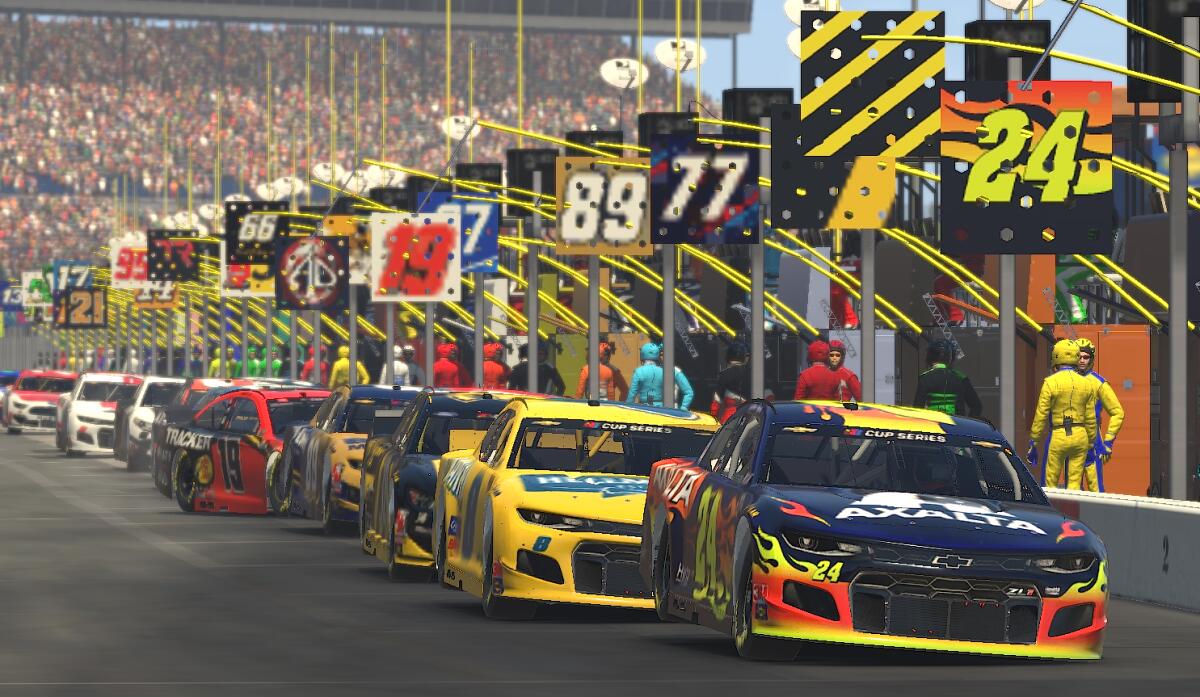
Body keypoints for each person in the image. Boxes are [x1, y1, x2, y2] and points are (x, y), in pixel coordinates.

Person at [1029, 340, 1101, 490]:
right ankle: (1073, 512)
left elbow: (1041, 414)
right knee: (1074, 484)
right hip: (1081, 435)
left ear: (1056, 357)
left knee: (1051, 484)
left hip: (1059, 434)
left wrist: (1034, 442)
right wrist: (1091, 443)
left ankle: (1053, 512)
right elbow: (1090, 417)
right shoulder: (1086, 383)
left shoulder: (1050, 382)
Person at [1075, 338, 1125, 492]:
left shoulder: (1099, 383)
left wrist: (1109, 442)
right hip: (1069, 437)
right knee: (1071, 492)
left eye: (1086, 357)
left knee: (1095, 490)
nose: (1082, 360)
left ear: (1091, 359)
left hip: (1092, 441)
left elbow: (1118, 412)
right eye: (1079, 357)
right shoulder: (1064, 379)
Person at [913, 339, 982, 417]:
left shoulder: (925, 378)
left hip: (933, 426)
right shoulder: (961, 378)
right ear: (950, 358)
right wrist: (967, 426)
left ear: (930, 358)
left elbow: (917, 409)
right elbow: (976, 407)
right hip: (956, 426)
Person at [627, 343, 694, 409]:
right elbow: (689, 392)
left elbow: (631, 395)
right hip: (667, 410)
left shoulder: (639, 371)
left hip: (645, 410)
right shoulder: (671, 371)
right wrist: (683, 409)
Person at [711, 342, 751, 423]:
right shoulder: (752, 374)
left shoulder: (724, 375)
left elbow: (717, 399)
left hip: (730, 417)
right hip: (750, 416)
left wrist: (713, 415)